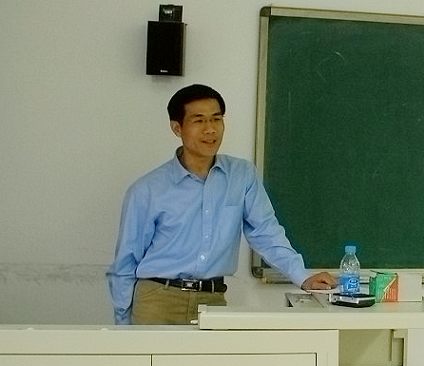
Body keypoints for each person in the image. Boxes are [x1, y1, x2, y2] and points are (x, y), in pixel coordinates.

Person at [107, 84, 336, 325]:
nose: (210, 129)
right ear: (177, 128)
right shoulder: (147, 190)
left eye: (216, 119)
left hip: (212, 300)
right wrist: (122, 325)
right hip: (158, 300)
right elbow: (125, 262)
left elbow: (266, 232)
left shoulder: (241, 175)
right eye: (199, 120)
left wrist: (302, 277)